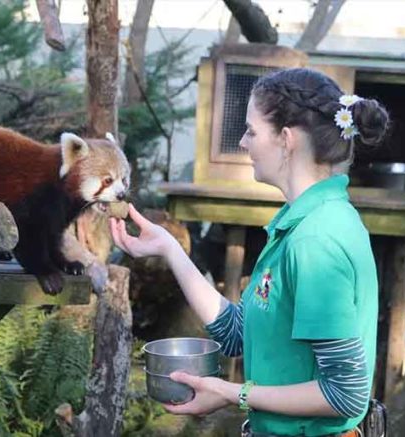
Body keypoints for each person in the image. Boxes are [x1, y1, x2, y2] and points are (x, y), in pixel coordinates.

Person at [110, 68, 389, 437]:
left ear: (286, 140)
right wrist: (169, 249)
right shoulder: (299, 223)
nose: (243, 142)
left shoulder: (315, 241)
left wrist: (231, 393)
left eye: (252, 131)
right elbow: (237, 332)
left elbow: (345, 395)